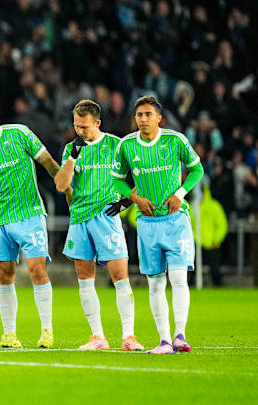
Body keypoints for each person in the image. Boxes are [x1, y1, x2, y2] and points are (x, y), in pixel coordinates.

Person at [0, 102, 71, 348]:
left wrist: (66, 188)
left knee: (37, 269)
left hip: (29, 214)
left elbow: (47, 162)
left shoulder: (19, 134)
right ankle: (9, 334)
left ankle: (47, 331)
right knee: (5, 275)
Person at [111, 96, 204, 354]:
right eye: (139, 114)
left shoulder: (175, 140)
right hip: (148, 224)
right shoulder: (126, 146)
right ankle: (164, 341)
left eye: (148, 114)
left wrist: (180, 194)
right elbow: (118, 180)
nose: (143, 119)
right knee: (155, 283)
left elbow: (197, 170)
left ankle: (180, 336)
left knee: (178, 277)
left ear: (159, 118)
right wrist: (135, 198)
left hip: (176, 221)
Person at [54, 99, 144, 351]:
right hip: (80, 219)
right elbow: (61, 185)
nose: (79, 132)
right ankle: (97, 337)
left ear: (97, 123)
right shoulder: (71, 149)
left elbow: (141, 176)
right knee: (85, 279)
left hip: (107, 218)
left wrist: (126, 202)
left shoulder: (117, 145)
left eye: (84, 127)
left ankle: (129, 336)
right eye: (76, 127)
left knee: (120, 278)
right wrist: (72, 156)